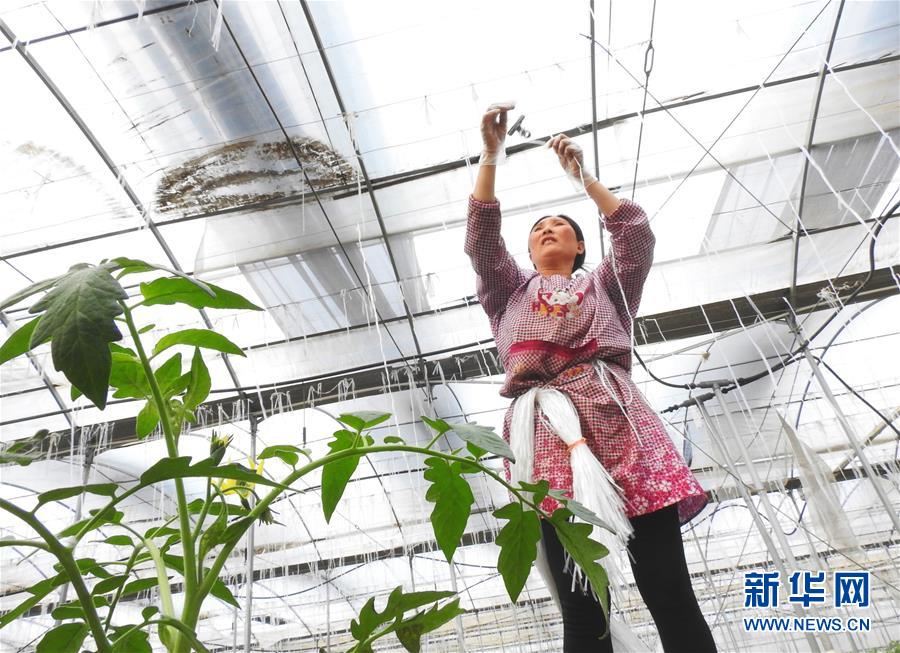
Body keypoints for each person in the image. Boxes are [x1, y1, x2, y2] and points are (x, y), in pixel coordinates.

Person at [464, 103, 717, 653]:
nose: (547, 230)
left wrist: (584, 179)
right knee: (583, 606)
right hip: (547, 435)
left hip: (623, 428)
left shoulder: (606, 285)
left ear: (580, 247)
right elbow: (482, 243)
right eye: (537, 230)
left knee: (669, 592)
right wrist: (490, 154)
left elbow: (635, 235)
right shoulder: (509, 292)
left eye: (561, 226)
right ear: (528, 253)